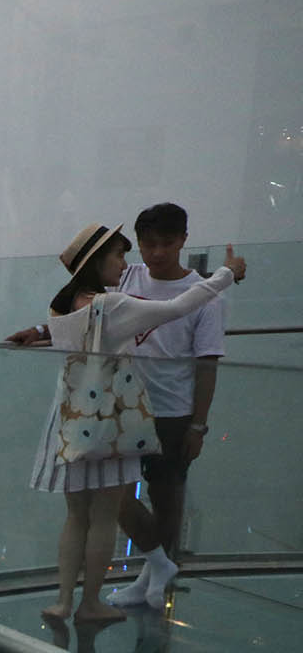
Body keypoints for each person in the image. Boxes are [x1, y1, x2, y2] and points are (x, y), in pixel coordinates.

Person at [26, 224, 242, 623]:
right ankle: (91, 603)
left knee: (76, 516)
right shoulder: (114, 306)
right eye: (118, 256)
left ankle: (62, 601)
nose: (125, 265)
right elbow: (177, 307)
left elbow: (59, 334)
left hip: (72, 416)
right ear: (98, 262)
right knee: (105, 515)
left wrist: (37, 332)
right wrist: (226, 274)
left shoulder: (67, 304)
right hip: (113, 419)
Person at [108, 202, 229, 606]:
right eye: (148, 245)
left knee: (166, 498)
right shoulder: (127, 277)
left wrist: (198, 425)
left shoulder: (205, 296)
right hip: (124, 409)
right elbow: (87, 311)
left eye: (166, 243)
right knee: (116, 495)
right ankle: (158, 565)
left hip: (173, 413)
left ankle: (152, 581)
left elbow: (207, 365)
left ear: (183, 241)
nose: (156, 253)